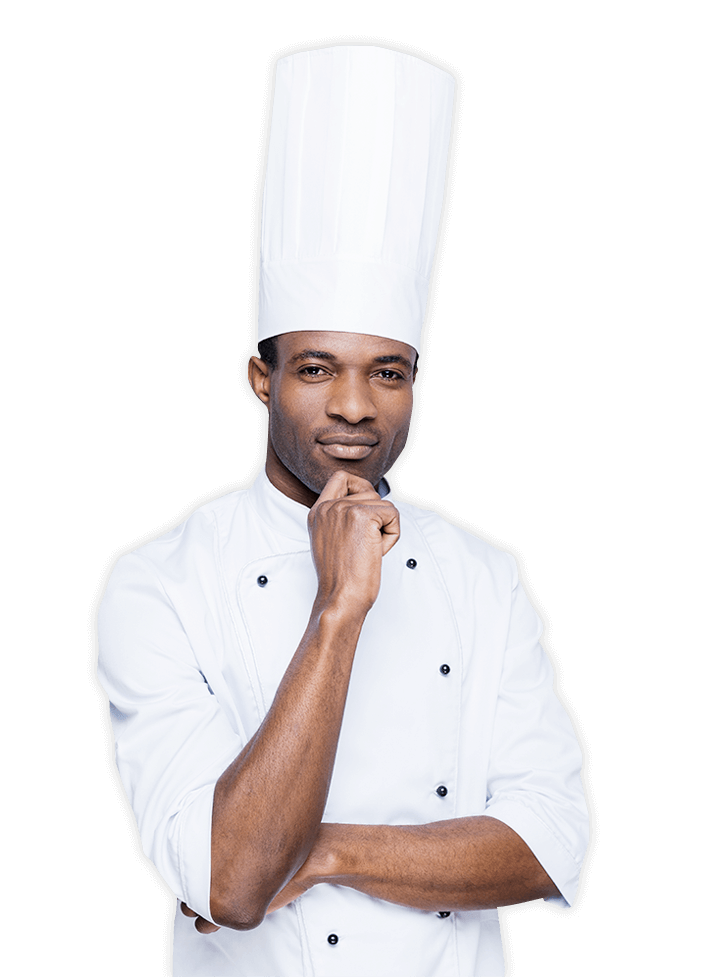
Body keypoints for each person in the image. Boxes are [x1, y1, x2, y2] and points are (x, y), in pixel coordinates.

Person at [97, 46, 589, 976]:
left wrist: (321, 849)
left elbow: (551, 841)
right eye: (318, 368)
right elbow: (234, 880)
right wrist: (340, 606)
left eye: (387, 373)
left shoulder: (482, 577)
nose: (355, 407)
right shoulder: (161, 582)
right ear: (262, 378)